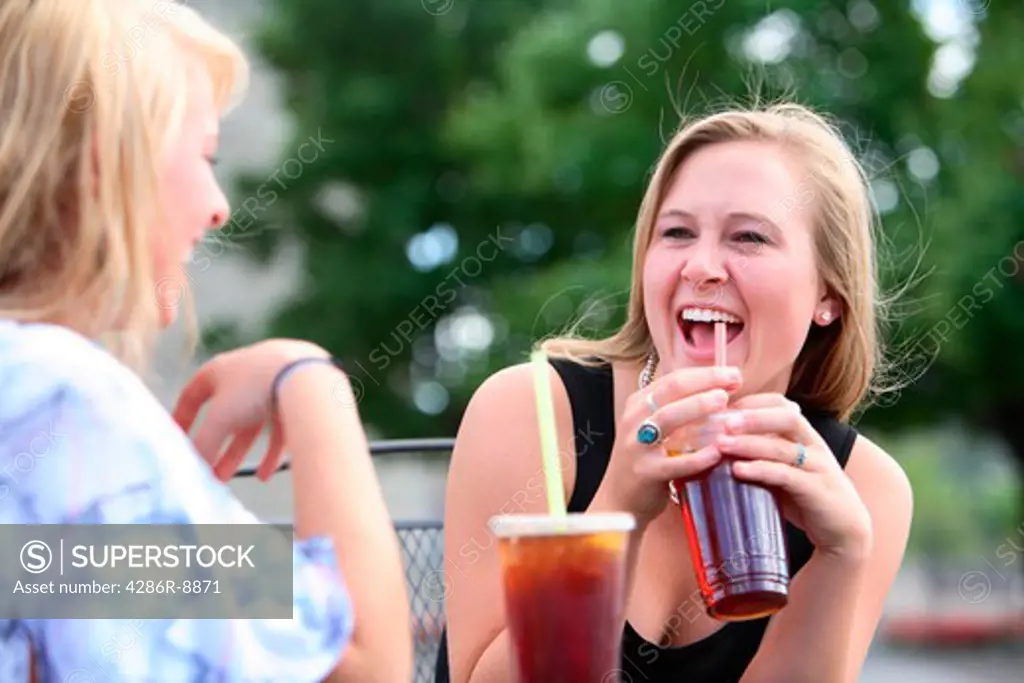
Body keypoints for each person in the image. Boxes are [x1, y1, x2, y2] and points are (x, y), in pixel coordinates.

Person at [0, 1, 412, 681]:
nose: (219, 205)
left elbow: (48, 579)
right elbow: (363, 662)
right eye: (203, 154)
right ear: (109, 160)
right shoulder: (62, 399)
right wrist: (310, 380)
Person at [437, 102, 914, 683]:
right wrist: (617, 515)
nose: (701, 265)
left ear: (828, 297)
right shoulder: (529, 413)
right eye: (677, 232)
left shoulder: (865, 491)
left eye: (749, 237)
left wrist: (841, 558)